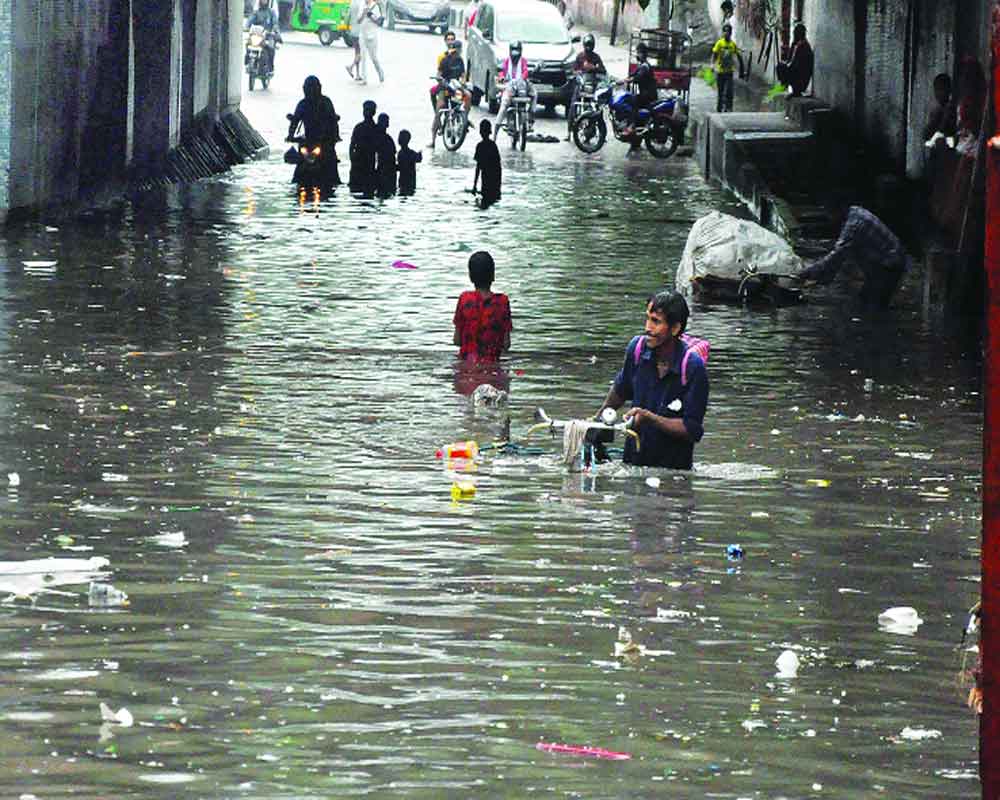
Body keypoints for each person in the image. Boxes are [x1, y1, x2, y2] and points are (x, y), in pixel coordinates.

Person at [595, 291, 708, 471]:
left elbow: (692, 430)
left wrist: (650, 419)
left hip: (673, 476)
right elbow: (621, 389)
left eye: (656, 321)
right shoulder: (637, 350)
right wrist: (597, 421)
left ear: (675, 328)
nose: (648, 327)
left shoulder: (693, 368)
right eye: (647, 319)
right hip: (632, 466)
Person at [796, 205, 911, 309]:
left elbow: (837, 254)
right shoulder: (855, 212)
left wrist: (808, 271)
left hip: (890, 263)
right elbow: (840, 258)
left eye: (830, 214)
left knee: (873, 305)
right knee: (865, 299)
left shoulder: (854, 224)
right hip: (890, 260)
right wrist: (821, 278)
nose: (830, 218)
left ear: (838, 211)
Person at [453, 251, 512, 363]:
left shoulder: (465, 299)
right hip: (493, 364)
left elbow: (457, 340)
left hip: (467, 366)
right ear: (493, 275)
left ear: (471, 277)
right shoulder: (502, 302)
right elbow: (506, 344)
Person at [287, 75, 342, 185]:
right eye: (309, 88)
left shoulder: (326, 102)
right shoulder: (303, 104)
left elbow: (333, 121)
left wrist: (335, 137)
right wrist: (290, 136)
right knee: (299, 167)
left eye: (313, 88)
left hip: (324, 142)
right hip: (308, 142)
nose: (311, 91)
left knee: (331, 163)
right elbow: (295, 121)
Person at [566, 33, 607, 140]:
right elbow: (574, 70)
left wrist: (593, 68)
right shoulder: (580, 56)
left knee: (598, 107)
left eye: (590, 46)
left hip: (592, 86)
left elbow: (603, 71)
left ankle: (602, 133)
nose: (588, 48)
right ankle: (569, 132)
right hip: (581, 85)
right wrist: (578, 73)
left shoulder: (596, 57)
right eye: (587, 46)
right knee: (573, 106)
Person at [430, 38, 468, 149]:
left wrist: (463, 82)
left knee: (468, 96)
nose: (457, 52)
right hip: (445, 87)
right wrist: (441, 80)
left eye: (459, 50)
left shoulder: (460, 61)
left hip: (456, 88)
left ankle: (465, 118)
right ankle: (433, 140)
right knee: (439, 109)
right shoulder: (445, 60)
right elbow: (439, 74)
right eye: (456, 49)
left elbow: (463, 74)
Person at [494, 41, 536, 139]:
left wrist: (522, 78)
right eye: (513, 50)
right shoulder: (506, 61)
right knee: (504, 105)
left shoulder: (523, 61)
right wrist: (501, 77)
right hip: (509, 87)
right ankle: (495, 132)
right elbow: (502, 72)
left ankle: (531, 118)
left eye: (517, 50)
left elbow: (525, 71)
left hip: (522, 86)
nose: (515, 54)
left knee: (534, 94)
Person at [623, 41, 658, 151]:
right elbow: (634, 74)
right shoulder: (642, 65)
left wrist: (630, 80)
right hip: (646, 94)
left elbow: (638, 77)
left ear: (643, 54)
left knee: (632, 101)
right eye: (637, 52)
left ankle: (631, 126)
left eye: (639, 53)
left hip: (648, 95)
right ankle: (635, 141)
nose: (638, 55)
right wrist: (623, 80)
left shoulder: (645, 66)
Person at [349, 100, 380, 194]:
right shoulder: (359, 127)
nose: (366, 112)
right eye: (365, 110)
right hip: (357, 164)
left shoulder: (376, 129)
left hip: (369, 165)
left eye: (368, 110)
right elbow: (352, 144)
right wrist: (352, 159)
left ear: (373, 112)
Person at [776, 23, 814, 97]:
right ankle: (788, 87)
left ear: (799, 34)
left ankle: (793, 89)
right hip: (798, 74)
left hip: (801, 78)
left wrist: (786, 67)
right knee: (781, 66)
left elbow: (795, 65)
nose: (794, 35)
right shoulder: (798, 45)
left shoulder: (803, 46)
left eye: (795, 33)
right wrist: (793, 45)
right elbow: (789, 60)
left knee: (781, 67)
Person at [712, 23, 743, 113]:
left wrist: (741, 70)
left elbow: (738, 56)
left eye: (728, 31)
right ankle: (719, 108)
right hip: (720, 72)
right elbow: (714, 54)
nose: (726, 33)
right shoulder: (719, 43)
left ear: (730, 33)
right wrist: (712, 65)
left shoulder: (733, 44)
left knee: (729, 91)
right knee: (720, 92)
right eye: (725, 31)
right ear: (723, 33)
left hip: (729, 72)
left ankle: (728, 108)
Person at [247, 0, 282, 74]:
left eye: (265, 0)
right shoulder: (256, 12)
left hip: (268, 36)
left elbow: (275, 23)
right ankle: (247, 62)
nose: (263, 1)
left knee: (271, 49)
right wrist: (246, 26)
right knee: (248, 44)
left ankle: (270, 68)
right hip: (258, 36)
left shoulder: (271, 13)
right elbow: (249, 21)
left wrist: (275, 30)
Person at [473, 120, 501, 208]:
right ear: (490, 132)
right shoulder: (493, 146)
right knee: (493, 200)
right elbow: (499, 167)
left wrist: (474, 185)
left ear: (480, 132)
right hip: (495, 181)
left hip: (485, 181)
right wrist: (499, 184)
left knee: (484, 201)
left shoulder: (480, 146)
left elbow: (478, 167)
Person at [429, 30, 458, 116]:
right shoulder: (442, 57)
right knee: (438, 105)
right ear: (445, 41)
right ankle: (437, 118)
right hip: (444, 85)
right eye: (448, 39)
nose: (450, 42)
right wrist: (442, 82)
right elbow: (439, 73)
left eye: (452, 39)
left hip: (456, 85)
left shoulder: (458, 56)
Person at [356, 0, 384, 85]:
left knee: (374, 58)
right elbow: (358, 21)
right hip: (363, 35)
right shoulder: (362, 5)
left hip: (372, 36)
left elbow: (379, 22)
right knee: (363, 57)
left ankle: (380, 73)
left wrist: (370, 15)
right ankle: (364, 79)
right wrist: (364, 13)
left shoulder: (375, 6)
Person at [923, 73, 957, 143]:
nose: (938, 93)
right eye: (936, 89)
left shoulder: (951, 109)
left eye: (941, 89)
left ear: (949, 89)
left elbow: (943, 130)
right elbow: (926, 134)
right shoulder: (936, 111)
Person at [375, 112, 397, 197]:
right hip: (383, 170)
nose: (387, 124)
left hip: (388, 170)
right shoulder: (384, 138)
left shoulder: (387, 139)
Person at [396, 130, 422, 195]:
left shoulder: (400, 153)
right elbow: (419, 159)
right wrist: (419, 154)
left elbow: (400, 167)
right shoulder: (411, 153)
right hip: (411, 181)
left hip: (403, 180)